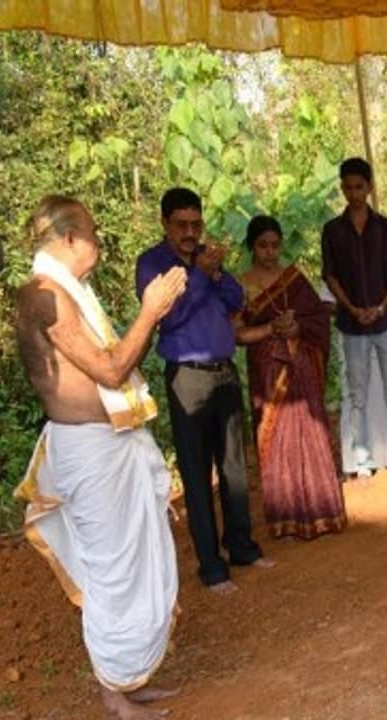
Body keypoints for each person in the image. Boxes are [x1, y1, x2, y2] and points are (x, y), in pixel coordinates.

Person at [17, 196, 185, 720]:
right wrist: (151, 311)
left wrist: (153, 317)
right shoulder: (46, 297)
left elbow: (116, 365)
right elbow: (112, 372)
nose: (100, 242)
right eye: (92, 233)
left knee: (135, 557)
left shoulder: (71, 292)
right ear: (67, 239)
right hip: (88, 451)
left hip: (111, 445)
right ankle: (113, 693)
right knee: (111, 569)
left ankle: (126, 680)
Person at [137, 187, 270, 591]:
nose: (191, 232)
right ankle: (211, 566)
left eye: (196, 224)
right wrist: (197, 276)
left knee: (233, 467)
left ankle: (241, 545)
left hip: (224, 372)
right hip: (187, 377)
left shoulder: (205, 258)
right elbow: (169, 316)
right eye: (182, 225)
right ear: (165, 224)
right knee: (196, 473)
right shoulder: (152, 265)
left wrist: (212, 272)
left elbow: (234, 299)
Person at [235, 215, 346, 539]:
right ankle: (286, 516)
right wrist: (271, 329)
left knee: (309, 431)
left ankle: (321, 508)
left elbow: (317, 318)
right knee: (276, 437)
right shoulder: (241, 285)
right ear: (252, 247)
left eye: (275, 245)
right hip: (267, 370)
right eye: (262, 246)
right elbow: (238, 335)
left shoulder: (293, 278)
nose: (270, 252)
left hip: (301, 366)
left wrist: (298, 328)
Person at [321, 157, 387, 476]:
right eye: (348, 187)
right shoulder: (332, 230)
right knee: (356, 394)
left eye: (359, 186)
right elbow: (330, 275)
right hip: (351, 323)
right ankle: (361, 458)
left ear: (370, 187)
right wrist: (352, 307)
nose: (354, 193)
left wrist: (383, 306)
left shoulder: (386, 228)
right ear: (342, 188)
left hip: (386, 320)